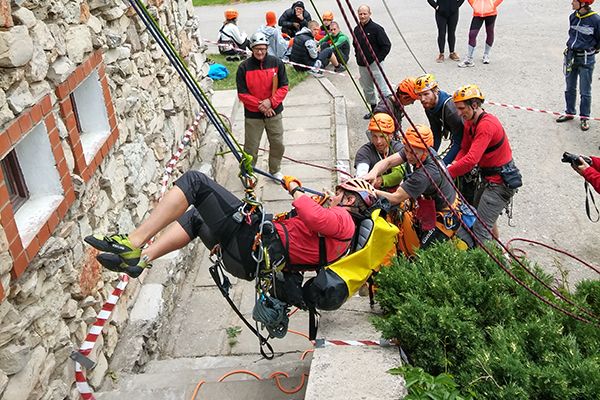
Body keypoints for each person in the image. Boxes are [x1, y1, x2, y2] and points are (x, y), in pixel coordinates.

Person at [84, 172, 375, 282]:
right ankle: (141, 259)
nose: (334, 196)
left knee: (196, 182)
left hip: (250, 245)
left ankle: (133, 242)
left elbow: (312, 216)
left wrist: (296, 189)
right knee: (197, 215)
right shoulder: (341, 231)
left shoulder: (343, 221)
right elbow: (311, 223)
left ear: (350, 199)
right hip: (247, 260)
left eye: (339, 194)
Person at [363, 125, 470, 249]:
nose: (408, 156)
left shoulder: (424, 174)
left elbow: (395, 197)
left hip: (446, 217)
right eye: (406, 150)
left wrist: (370, 190)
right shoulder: (417, 149)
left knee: (422, 254)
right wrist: (373, 173)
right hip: (440, 202)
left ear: (425, 150)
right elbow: (388, 162)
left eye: (412, 153)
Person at [448, 84, 522, 246]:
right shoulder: (469, 121)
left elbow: (471, 160)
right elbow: (465, 149)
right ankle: (499, 249)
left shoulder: (487, 125)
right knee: (482, 216)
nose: (459, 113)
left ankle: (489, 265)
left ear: (474, 105)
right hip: (488, 178)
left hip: (500, 183)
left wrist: (448, 173)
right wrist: (454, 163)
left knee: (481, 231)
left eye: (462, 108)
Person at [236, 32, 289, 180]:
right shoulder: (243, 68)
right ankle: (248, 172)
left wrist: (271, 102)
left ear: (267, 48)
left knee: (277, 143)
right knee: (251, 147)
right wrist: (262, 105)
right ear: (252, 49)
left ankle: (275, 169)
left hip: (274, 112)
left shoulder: (277, 63)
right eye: (257, 49)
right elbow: (242, 94)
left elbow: (284, 87)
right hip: (253, 115)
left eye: (263, 49)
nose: (260, 52)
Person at [556, 0, 600, 131]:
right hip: (571, 56)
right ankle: (569, 112)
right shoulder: (573, 17)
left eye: (574, 1)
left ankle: (584, 117)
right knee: (570, 87)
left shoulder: (596, 20)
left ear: (583, 3)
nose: (571, 3)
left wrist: (591, 50)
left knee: (585, 90)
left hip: (586, 60)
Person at [352, 4, 392, 119]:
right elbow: (355, 45)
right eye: (360, 14)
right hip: (362, 64)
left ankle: (386, 111)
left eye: (365, 13)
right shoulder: (356, 29)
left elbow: (386, 45)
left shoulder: (377, 29)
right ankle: (374, 110)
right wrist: (357, 57)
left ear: (370, 14)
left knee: (382, 89)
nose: (362, 16)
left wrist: (377, 60)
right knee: (367, 89)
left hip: (375, 64)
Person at [414, 74, 463, 165]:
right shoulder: (429, 105)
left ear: (436, 91)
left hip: (467, 137)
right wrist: (428, 158)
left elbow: (459, 142)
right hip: (457, 136)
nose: (422, 99)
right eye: (419, 95)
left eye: (426, 94)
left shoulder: (451, 110)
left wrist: (442, 165)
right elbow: (436, 133)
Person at [355, 113, 406, 191]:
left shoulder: (398, 149)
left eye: (382, 136)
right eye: (374, 136)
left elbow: (398, 175)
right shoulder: (364, 152)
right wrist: (362, 179)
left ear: (391, 136)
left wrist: (380, 180)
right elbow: (362, 172)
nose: (378, 141)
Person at [458, 0, 503, 67]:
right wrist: (474, 4)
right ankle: (469, 59)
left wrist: (493, 4)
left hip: (491, 13)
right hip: (478, 13)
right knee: (472, 34)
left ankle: (486, 54)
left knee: (489, 32)